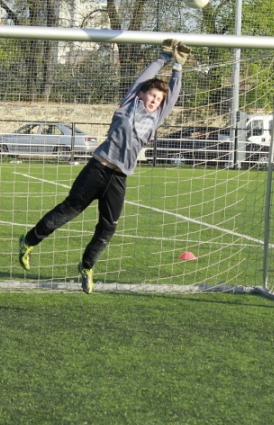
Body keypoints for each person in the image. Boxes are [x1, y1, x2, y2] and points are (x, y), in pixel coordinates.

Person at [17, 39, 190, 293]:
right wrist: (162, 58)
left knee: (108, 226)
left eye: (158, 98)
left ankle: (87, 267)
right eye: (152, 95)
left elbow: (172, 96)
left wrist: (178, 67)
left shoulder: (156, 118)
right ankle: (29, 241)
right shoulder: (129, 104)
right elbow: (143, 79)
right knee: (70, 208)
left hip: (119, 178)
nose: (154, 101)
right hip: (97, 168)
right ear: (141, 94)